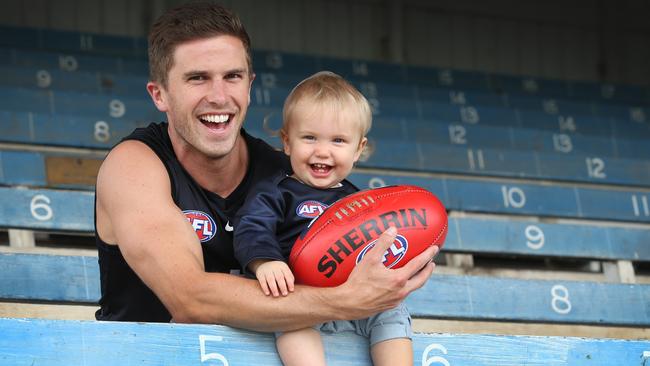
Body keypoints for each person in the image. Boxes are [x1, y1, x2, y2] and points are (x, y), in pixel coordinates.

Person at [94, 1, 437, 331]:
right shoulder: (135, 165)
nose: (218, 95)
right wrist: (345, 301)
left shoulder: (285, 173)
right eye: (197, 78)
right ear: (160, 95)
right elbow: (191, 300)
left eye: (232, 76)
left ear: (250, 85)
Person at [233, 71, 413, 366]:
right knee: (288, 315)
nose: (323, 151)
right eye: (310, 137)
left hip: (352, 297)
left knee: (392, 309)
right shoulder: (275, 192)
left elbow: (374, 248)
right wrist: (266, 262)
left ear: (359, 149)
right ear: (287, 142)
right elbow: (252, 227)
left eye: (338, 140)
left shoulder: (361, 203)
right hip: (300, 295)